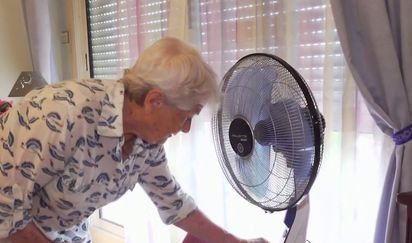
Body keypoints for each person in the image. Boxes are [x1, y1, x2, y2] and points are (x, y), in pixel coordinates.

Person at [0, 37, 269, 243]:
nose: (186, 129)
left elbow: (174, 203)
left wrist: (236, 242)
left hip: (66, 233)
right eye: (186, 116)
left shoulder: (146, 142)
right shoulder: (59, 113)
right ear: (154, 101)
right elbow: (7, 214)